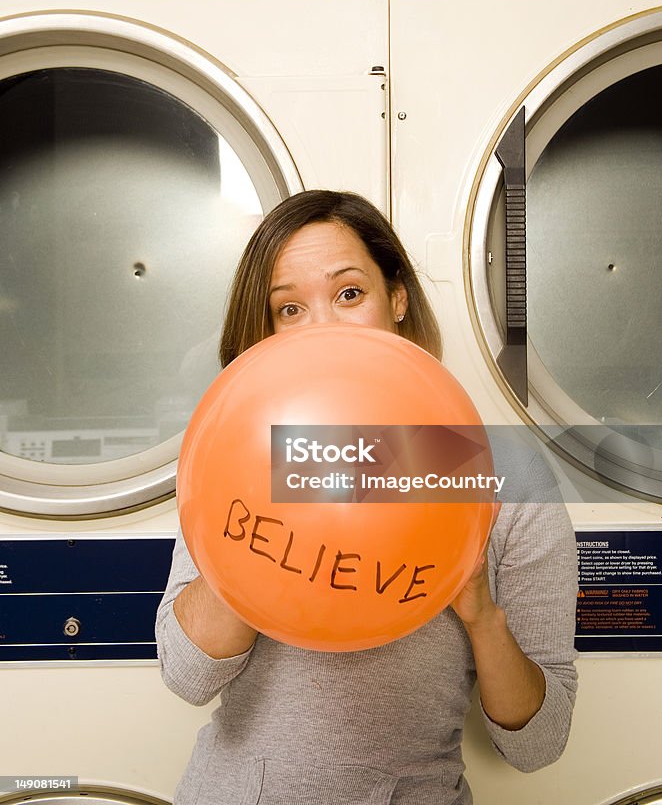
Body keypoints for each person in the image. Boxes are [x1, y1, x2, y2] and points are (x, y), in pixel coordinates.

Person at [155, 189, 578, 805]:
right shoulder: (239, 451)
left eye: (348, 294)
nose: (322, 327)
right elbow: (185, 676)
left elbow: (538, 745)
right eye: (290, 309)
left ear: (397, 298)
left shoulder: (504, 473)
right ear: (267, 331)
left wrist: (481, 614)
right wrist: (255, 539)